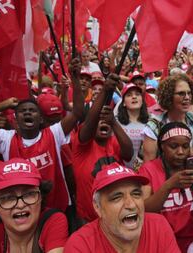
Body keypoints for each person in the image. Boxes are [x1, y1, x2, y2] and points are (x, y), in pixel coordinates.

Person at [0, 59, 84, 211]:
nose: (28, 112)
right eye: (23, 111)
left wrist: (75, 80)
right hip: (23, 210)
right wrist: (6, 104)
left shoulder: (54, 133)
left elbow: (77, 111)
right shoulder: (6, 139)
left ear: (41, 118)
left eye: (32, 110)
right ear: (15, 119)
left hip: (57, 207)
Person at [64, 162, 181, 252]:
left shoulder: (158, 226)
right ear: (97, 207)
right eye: (117, 197)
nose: (131, 204)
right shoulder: (81, 246)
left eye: (136, 194)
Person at [0, 158, 69, 253]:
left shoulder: (53, 221)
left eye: (29, 194)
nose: (20, 205)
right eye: (8, 197)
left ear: (41, 198)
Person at [71, 74, 134, 222]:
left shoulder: (114, 142)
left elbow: (129, 153)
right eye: (98, 120)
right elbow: (89, 123)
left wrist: (114, 123)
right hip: (88, 219)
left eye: (105, 120)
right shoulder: (82, 145)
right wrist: (105, 90)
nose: (102, 122)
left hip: (116, 217)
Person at [139, 122, 193, 252]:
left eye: (185, 146)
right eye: (174, 146)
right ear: (162, 147)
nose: (180, 152)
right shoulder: (148, 170)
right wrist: (169, 185)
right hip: (163, 243)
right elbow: (142, 209)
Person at [142, 74, 193, 161]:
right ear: (169, 96)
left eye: (189, 93)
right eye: (181, 93)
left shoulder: (192, 119)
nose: (187, 97)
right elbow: (148, 166)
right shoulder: (154, 127)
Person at [116, 83, 150, 169]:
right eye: (129, 95)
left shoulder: (151, 123)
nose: (134, 97)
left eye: (137, 94)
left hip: (144, 172)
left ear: (142, 100)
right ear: (123, 103)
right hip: (121, 173)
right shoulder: (116, 123)